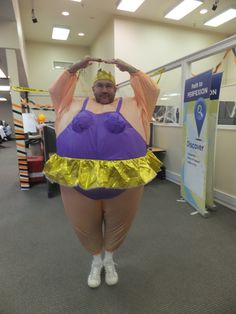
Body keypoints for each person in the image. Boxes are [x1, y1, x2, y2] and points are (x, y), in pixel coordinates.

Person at [44, 57, 161, 288]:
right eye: (100, 85)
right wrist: (74, 68)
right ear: (93, 88)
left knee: (120, 222)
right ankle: (96, 262)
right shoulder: (70, 104)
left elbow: (152, 90)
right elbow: (55, 90)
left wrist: (130, 69)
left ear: (115, 88)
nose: (104, 90)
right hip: (77, 179)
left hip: (124, 180)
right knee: (84, 223)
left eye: (109, 86)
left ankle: (109, 259)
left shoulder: (134, 105)